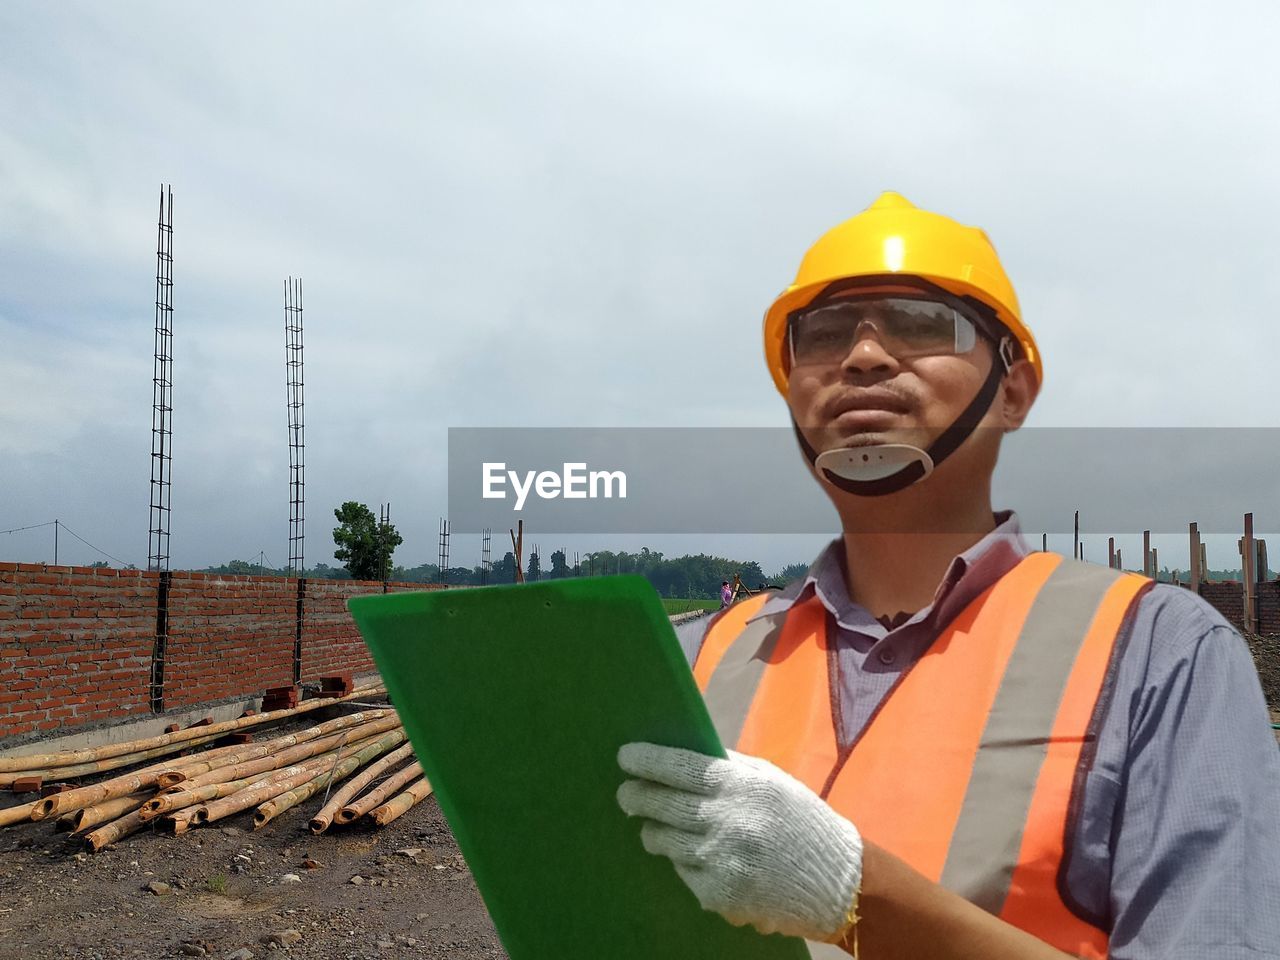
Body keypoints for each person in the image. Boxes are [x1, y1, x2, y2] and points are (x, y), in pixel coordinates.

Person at [616, 192, 1280, 959]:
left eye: (922, 322)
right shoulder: (693, 659)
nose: (863, 356)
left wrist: (859, 900)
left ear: (1013, 391)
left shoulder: (1160, 657)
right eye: (824, 334)